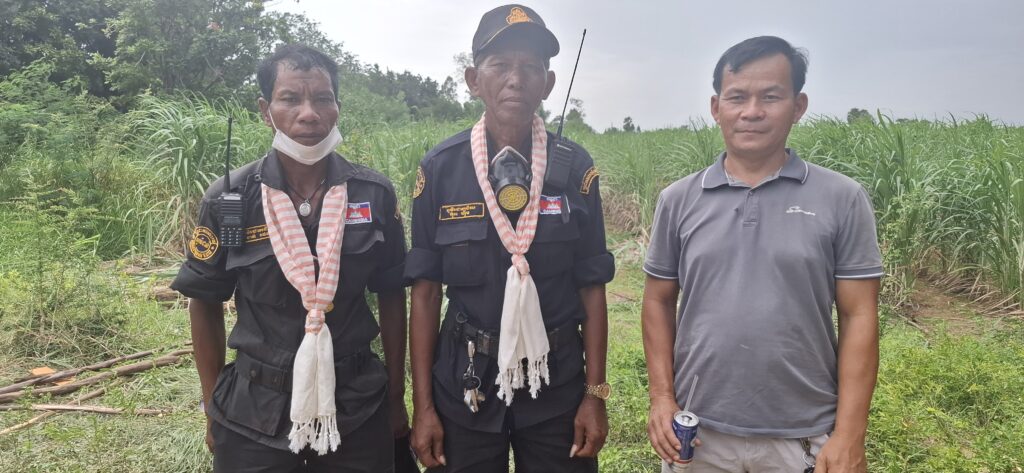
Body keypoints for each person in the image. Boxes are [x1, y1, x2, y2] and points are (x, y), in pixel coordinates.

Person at [641, 36, 883, 473]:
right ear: (717, 108)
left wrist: (850, 434)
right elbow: (658, 300)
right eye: (737, 97)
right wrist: (661, 397)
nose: (752, 111)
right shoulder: (678, 200)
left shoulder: (842, 198)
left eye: (771, 96)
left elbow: (859, 315)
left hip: (803, 437)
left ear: (798, 105)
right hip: (698, 435)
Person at [171, 44, 411, 472]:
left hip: (355, 404)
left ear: (338, 107)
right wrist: (212, 406)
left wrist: (396, 399)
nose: (309, 113)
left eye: (322, 98)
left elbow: (393, 297)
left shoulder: (373, 194)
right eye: (290, 99)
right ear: (266, 110)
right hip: (253, 412)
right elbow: (203, 302)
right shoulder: (232, 198)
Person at [404, 5, 615, 472]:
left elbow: (592, 286)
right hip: (467, 382)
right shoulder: (440, 169)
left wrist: (595, 396)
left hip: (556, 385)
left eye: (530, 67)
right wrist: (423, 407)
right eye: (500, 65)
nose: (515, 80)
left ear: (548, 82)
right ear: (473, 79)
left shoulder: (576, 170)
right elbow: (424, 292)